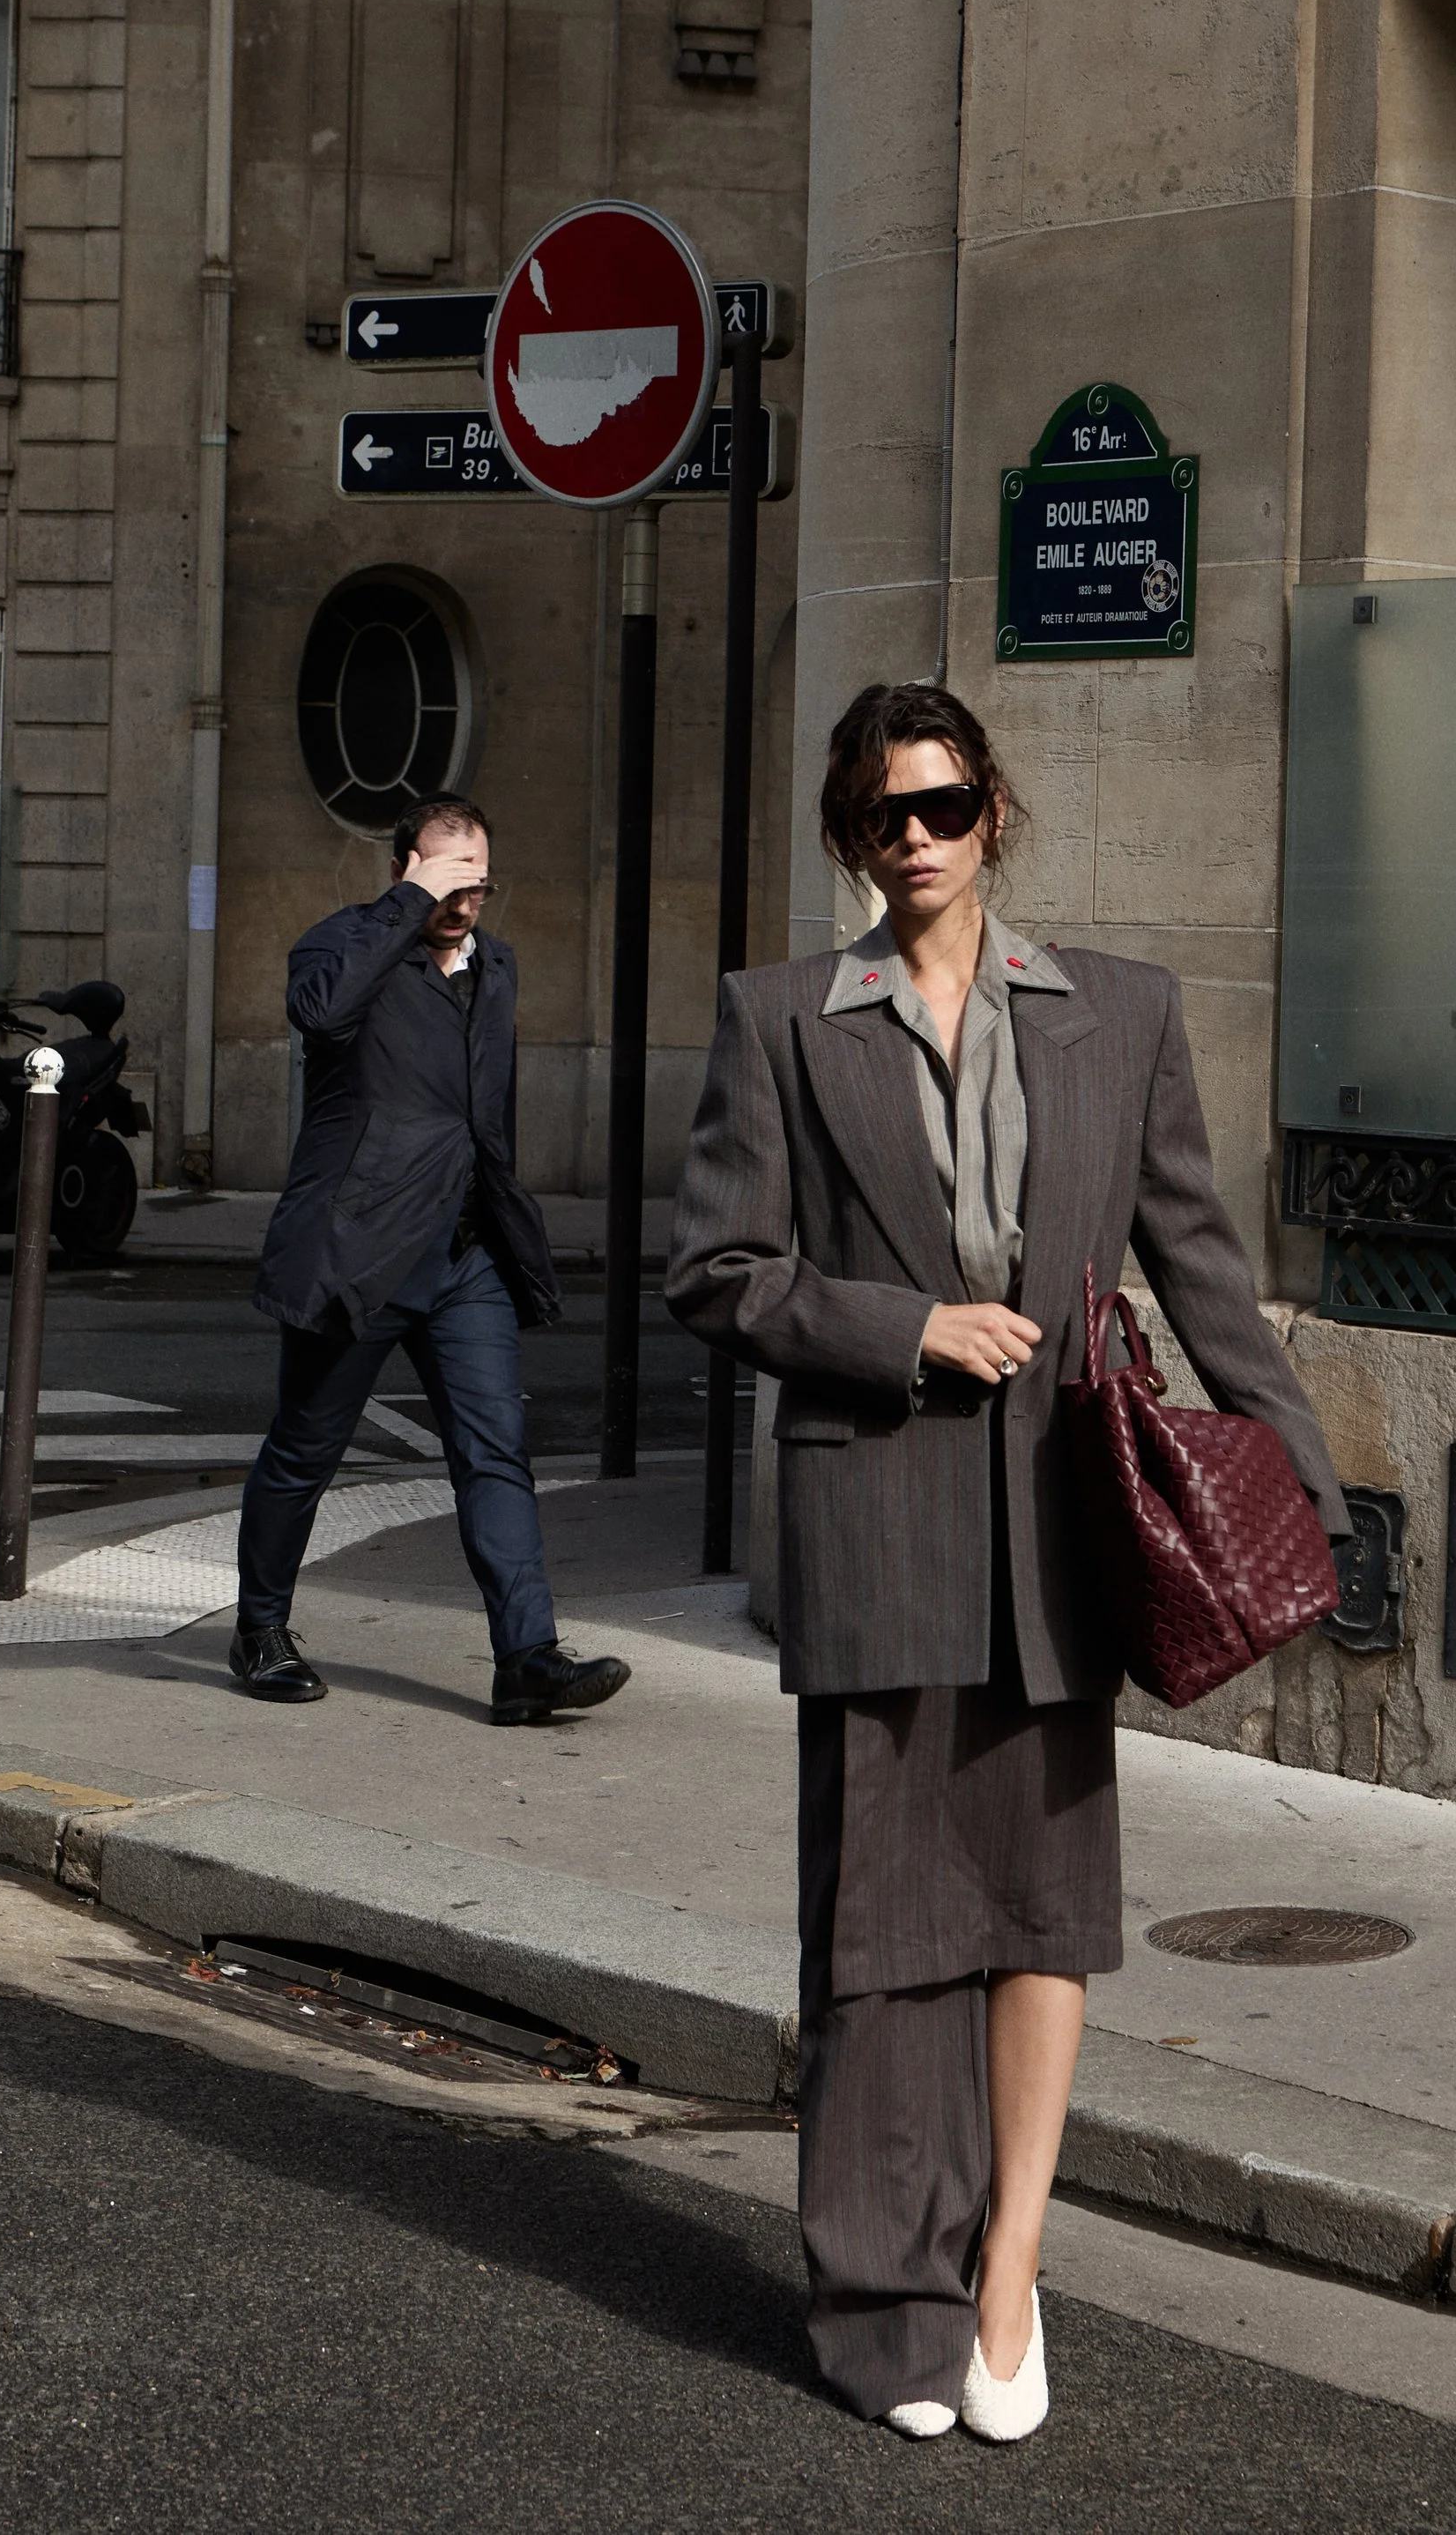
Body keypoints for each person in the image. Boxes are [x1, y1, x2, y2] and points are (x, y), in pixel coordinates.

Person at [666, 683, 1348, 2443]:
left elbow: (1197, 1261)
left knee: (1042, 1912)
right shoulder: (778, 1022)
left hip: (1059, 1527)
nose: (917, 837)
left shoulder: (1117, 1014)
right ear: (847, 833)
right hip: (875, 1518)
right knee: (882, 1935)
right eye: (884, 813)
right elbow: (718, 1274)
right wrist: (902, 1328)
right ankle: (880, 2302)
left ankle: (1004, 2275)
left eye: (945, 804)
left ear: (994, 815)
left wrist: (1302, 1480)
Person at [232, 794, 630, 1727]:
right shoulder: (341, 945)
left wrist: (507, 1222)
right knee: (303, 1451)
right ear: (407, 865)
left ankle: (526, 1657)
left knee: (495, 1454)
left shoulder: (498, 966)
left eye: (478, 872)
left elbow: (483, 1113)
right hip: (361, 1252)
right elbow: (321, 1014)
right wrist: (406, 908)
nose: (467, 891)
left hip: (463, 1257)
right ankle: (259, 1630)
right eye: (448, 871)